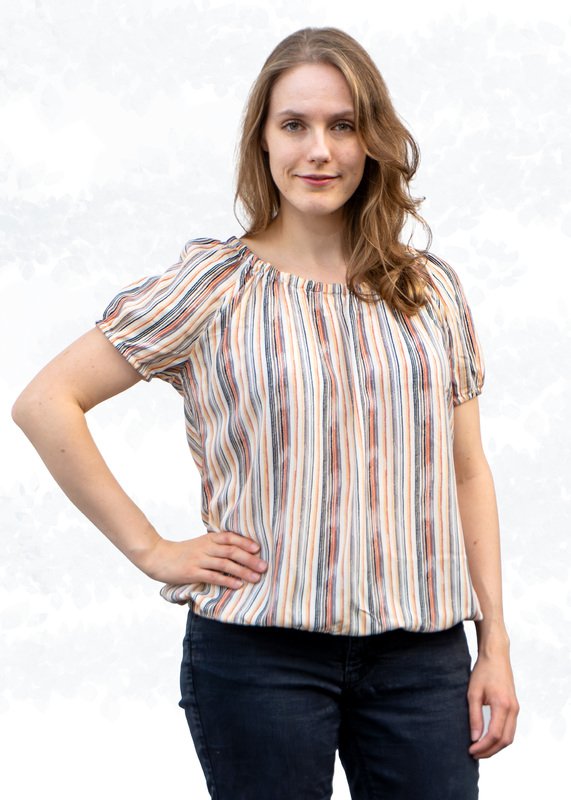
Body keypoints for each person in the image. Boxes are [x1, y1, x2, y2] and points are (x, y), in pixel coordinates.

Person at [12, 26, 519, 800]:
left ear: (371, 141)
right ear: (263, 140)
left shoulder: (427, 290)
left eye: (342, 125)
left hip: (421, 659)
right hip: (258, 658)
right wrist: (152, 549)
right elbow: (46, 402)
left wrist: (495, 642)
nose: (319, 150)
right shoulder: (213, 286)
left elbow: (467, 471)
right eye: (294, 125)